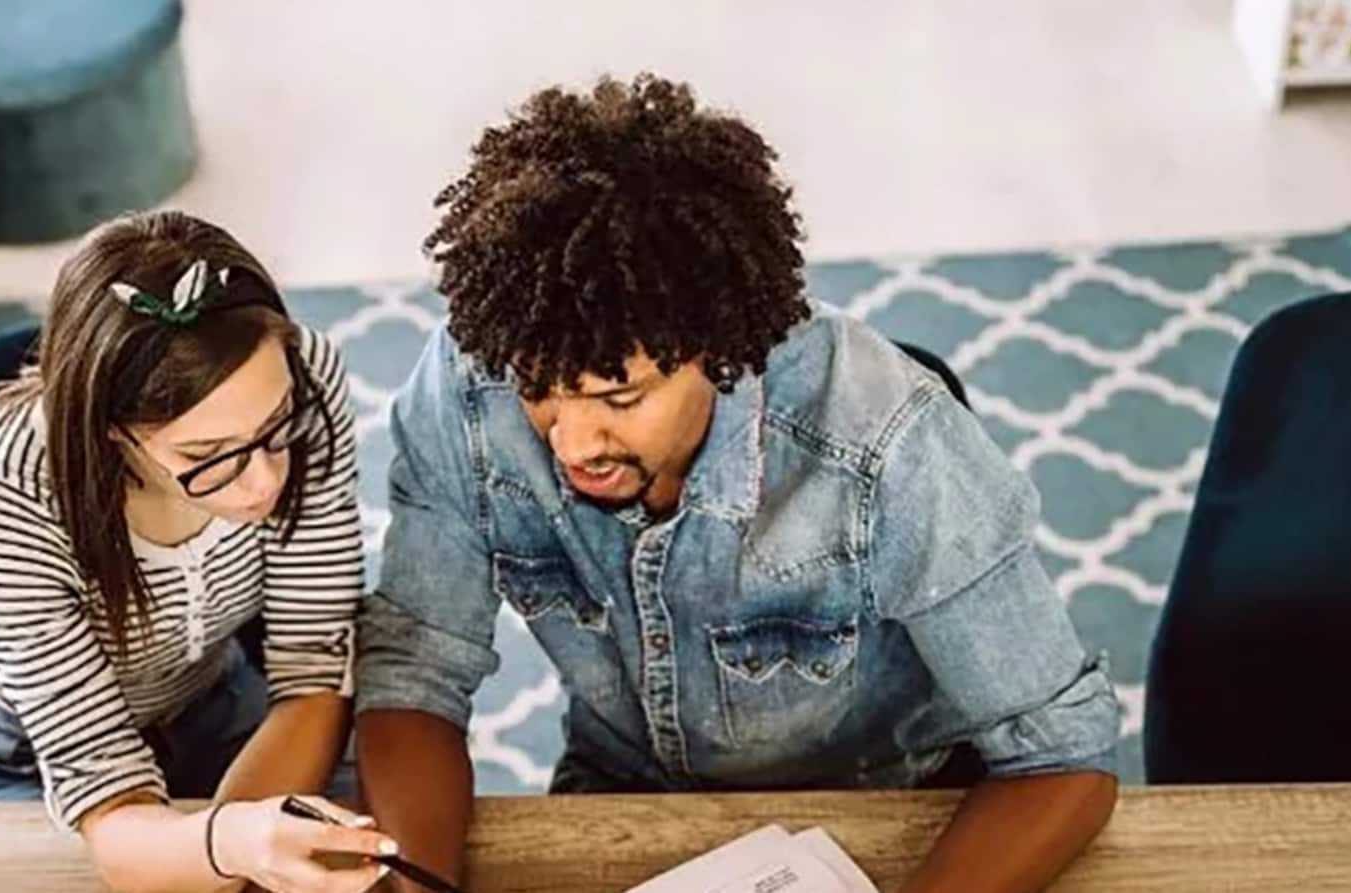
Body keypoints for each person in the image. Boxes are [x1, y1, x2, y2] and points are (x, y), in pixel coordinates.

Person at [354, 75, 1122, 892]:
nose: (572, 442)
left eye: (621, 397)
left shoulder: (888, 441)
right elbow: (415, 673)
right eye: (542, 391)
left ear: (723, 351)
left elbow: (1063, 752)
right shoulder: (472, 380)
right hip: (619, 791)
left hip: (883, 806)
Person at [0, 211, 397, 893]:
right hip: (17, 760)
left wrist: (231, 848)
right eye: (209, 458)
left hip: (214, 701)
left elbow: (313, 666)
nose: (265, 481)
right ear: (109, 432)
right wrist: (231, 847)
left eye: (275, 428)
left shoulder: (307, 375)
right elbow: (111, 808)